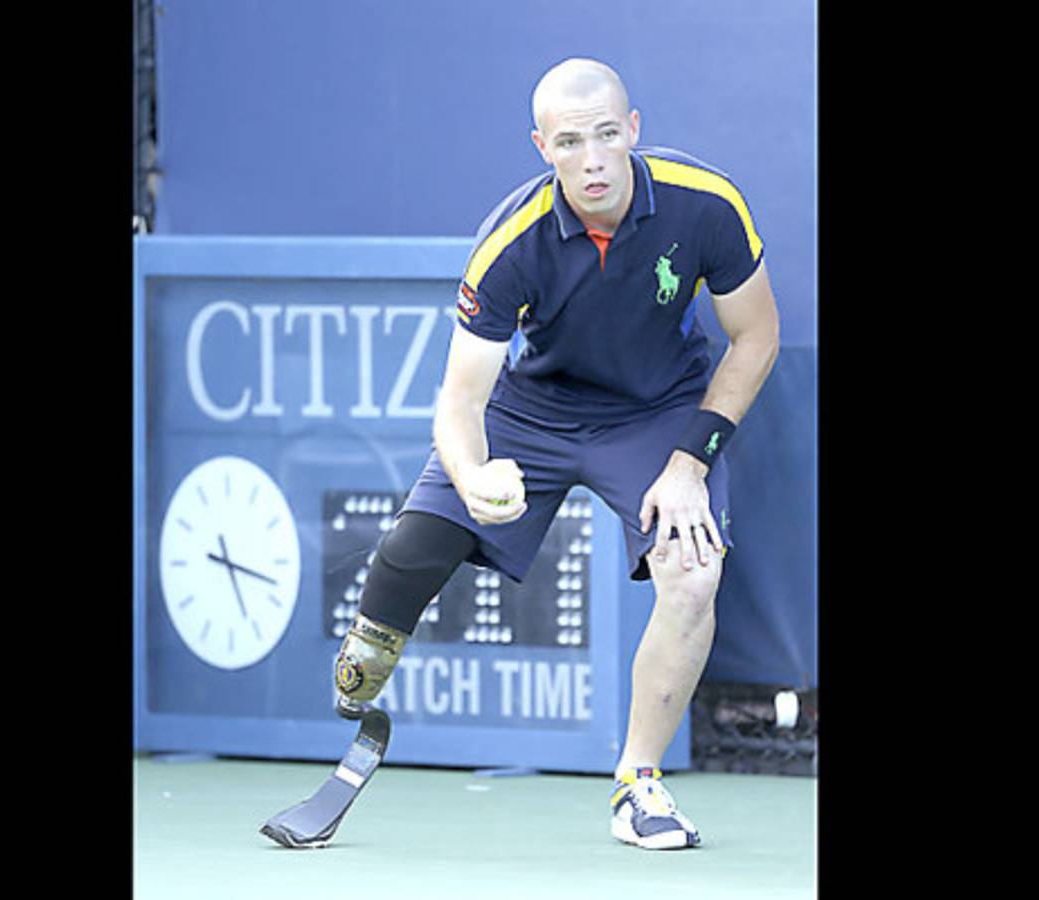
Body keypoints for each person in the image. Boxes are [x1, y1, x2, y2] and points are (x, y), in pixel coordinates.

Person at [333, 57, 780, 850]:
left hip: (657, 411)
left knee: (694, 570)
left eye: (608, 134)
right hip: (533, 410)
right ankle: (363, 665)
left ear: (633, 129)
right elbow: (460, 402)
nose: (594, 158)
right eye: (571, 141)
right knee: (407, 550)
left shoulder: (705, 204)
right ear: (542, 146)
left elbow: (756, 338)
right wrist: (473, 475)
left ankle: (637, 786)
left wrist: (689, 463)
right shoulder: (510, 241)